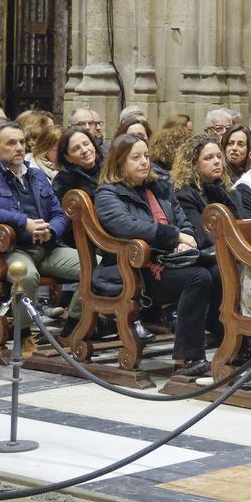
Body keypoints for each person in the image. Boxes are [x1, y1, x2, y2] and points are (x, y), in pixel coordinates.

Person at [94, 134, 213, 377]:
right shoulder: (108, 194)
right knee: (199, 277)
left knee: (219, 272)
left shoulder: (160, 187)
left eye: (146, 156)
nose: (144, 162)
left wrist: (185, 240)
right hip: (135, 270)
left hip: (171, 260)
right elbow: (127, 226)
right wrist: (174, 237)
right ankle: (186, 358)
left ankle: (231, 345)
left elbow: (183, 221)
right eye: (136, 158)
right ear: (119, 162)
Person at [0, 122, 80, 310]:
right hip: (10, 250)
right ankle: (24, 334)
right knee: (25, 276)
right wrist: (23, 222)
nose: (18, 148)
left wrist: (51, 230)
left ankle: (73, 324)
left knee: (97, 268)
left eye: (21, 142)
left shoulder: (37, 175)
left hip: (47, 247)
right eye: (10, 143)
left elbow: (59, 213)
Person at [169, 135, 236, 253]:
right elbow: (202, 238)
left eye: (219, 156)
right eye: (208, 158)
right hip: (210, 255)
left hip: (230, 249)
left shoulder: (224, 188)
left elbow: (239, 224)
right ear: (194, 164)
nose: (217, 162)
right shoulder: (184, 194)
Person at [52, 127, 104, 207]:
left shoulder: (109, 167)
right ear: (67, 157)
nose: (84, 150)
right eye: (76, 149)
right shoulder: (63, 182)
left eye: (86, 144)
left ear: (93, 145)